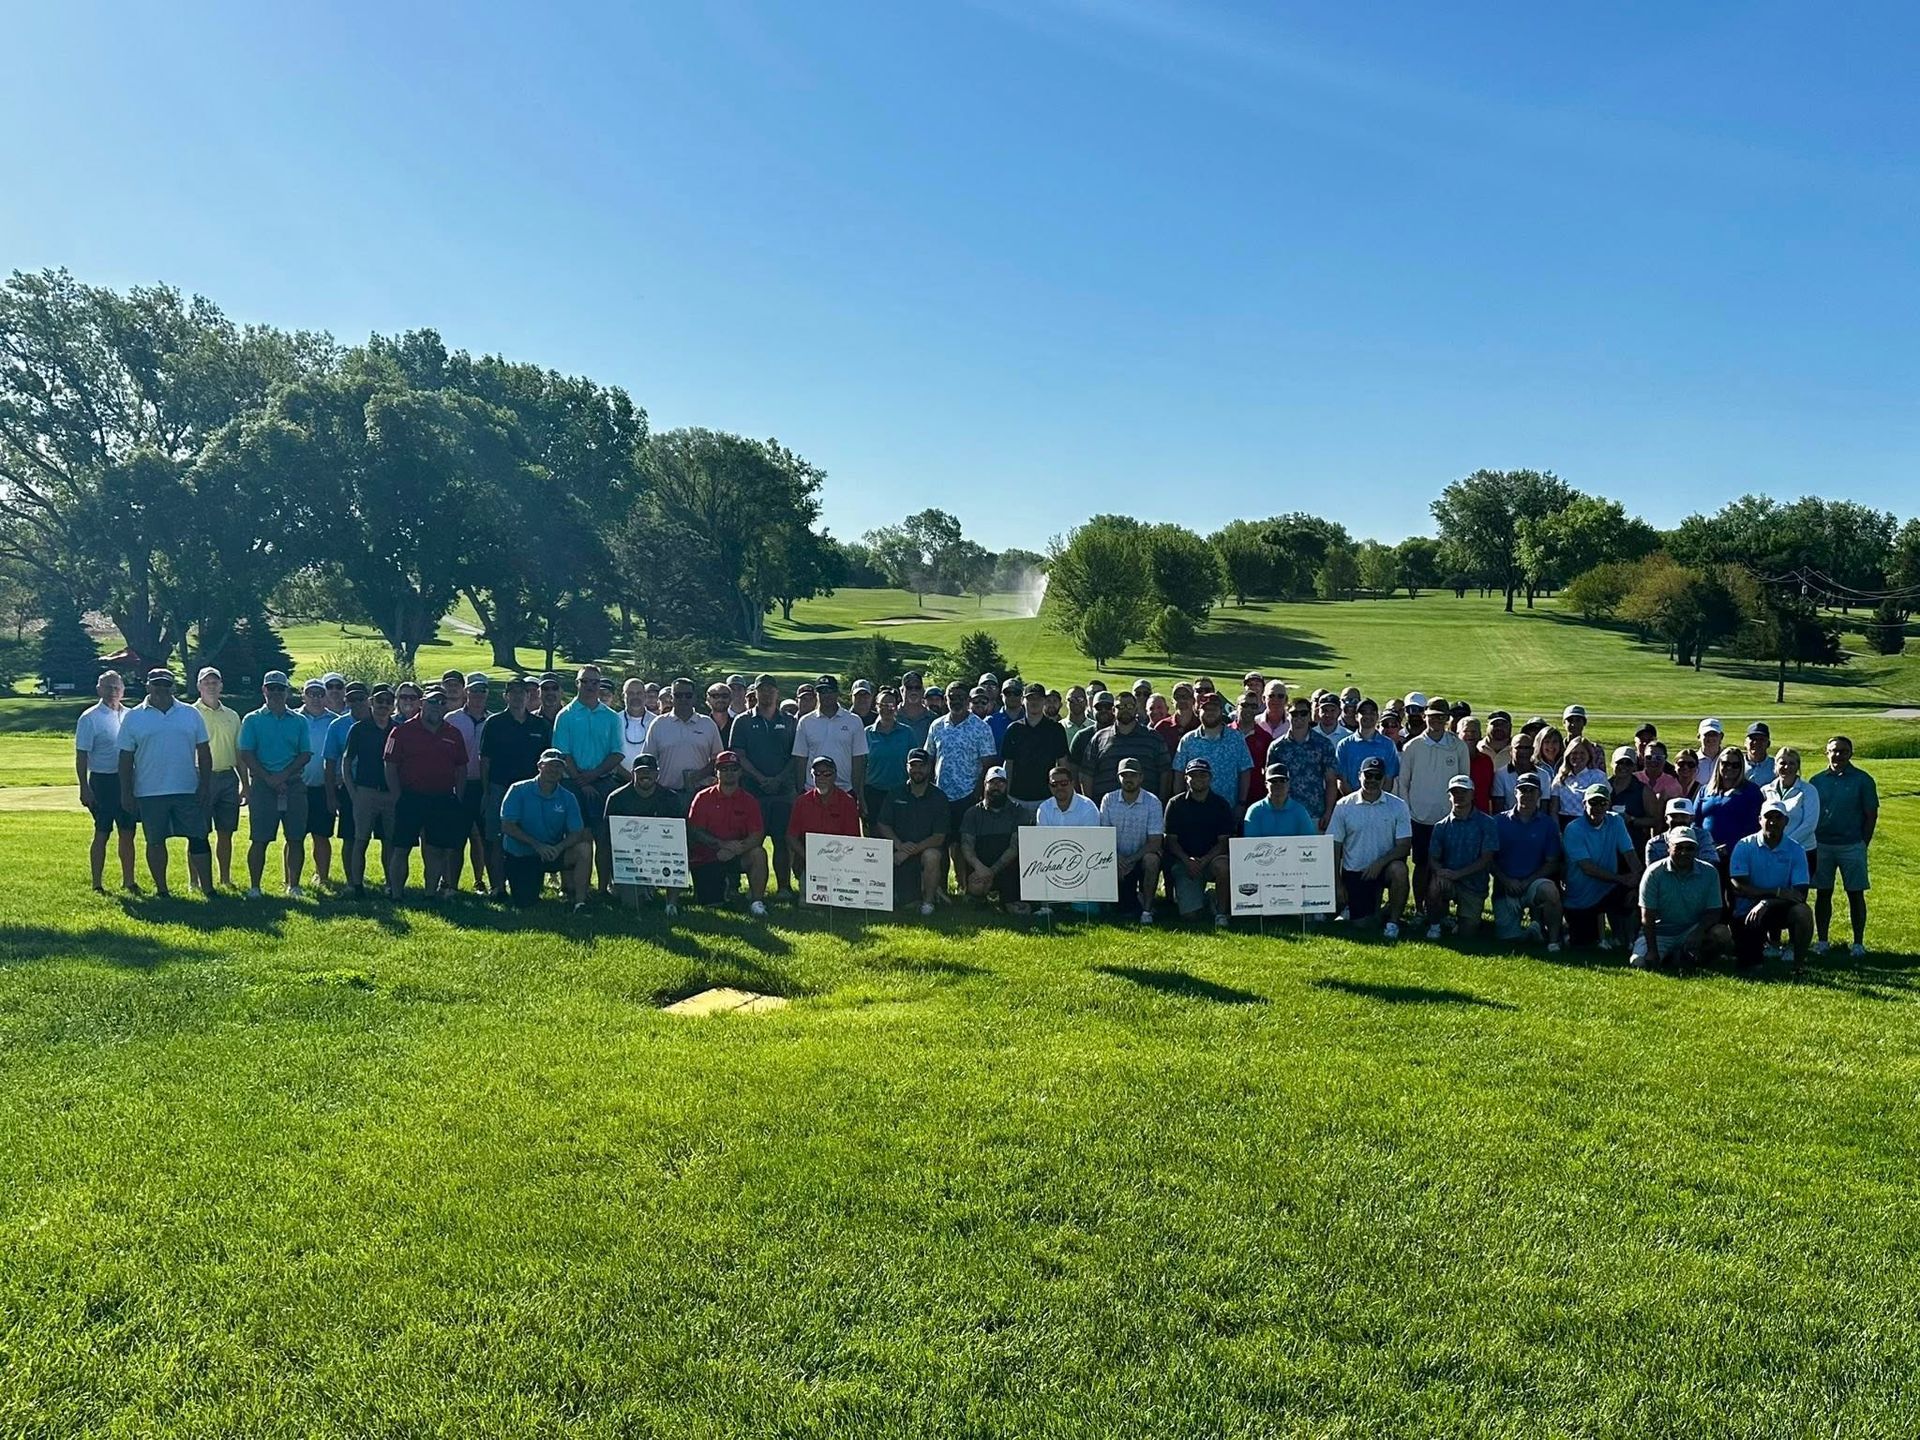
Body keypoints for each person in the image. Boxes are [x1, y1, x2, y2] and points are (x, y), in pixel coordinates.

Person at [117, 668, 214, 898]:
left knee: (199, 838)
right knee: (155, 841)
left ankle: (208, 889)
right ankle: (162, 890)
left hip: (187, 788)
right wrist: (126, 792)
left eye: (166, 684)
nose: (161, 689)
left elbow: (204, 752)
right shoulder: (133, 717)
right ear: (148, 686)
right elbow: (125, 758)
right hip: (149, 791)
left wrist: (205, 785)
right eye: (157, 684)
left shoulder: (190, 714)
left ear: (173, 687)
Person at [383, 687, 468, 900]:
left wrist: (458, 797)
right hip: (410, 798)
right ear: (422, 703)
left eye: (441, 702)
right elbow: (390, 766)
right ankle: (396, 894)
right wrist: (397, 796)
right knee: (401, 848)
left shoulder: (453, 733)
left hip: (441, 799)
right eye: (432, 702)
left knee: (435, 850)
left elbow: (461, 768)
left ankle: (430, 894)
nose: (436, 706)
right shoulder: (401, 731)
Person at [237, 672, 313, 898]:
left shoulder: (299, 721)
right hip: (262, 785)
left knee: (296, 838)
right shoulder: (252, 719)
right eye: (272, 688)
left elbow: (305, 753)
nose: (276, 693)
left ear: (287, 691)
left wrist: (282, 776)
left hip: (293, 784)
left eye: (280, 688)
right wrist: (269, 778)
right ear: (264, 690)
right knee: (259, 838)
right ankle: (255, 887)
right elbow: (246, 753)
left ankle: (294, 885)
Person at [552, 664, 623, 894]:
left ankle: (603, 889)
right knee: (572, 835)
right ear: (577, 683)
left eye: (595, 682)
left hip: (603, 782)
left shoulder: (611, 717)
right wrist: (582, 781)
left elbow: (617, 753)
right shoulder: (565, 715)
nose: (590, 686)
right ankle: (569, 886)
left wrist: (593, 776)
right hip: (571, 783)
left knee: (604, 837)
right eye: (585, 681)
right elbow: (563, 753)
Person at [479, 677, 552, 901]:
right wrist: (486, 792)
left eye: (522, 692)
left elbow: (547, 763)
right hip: (499, 787)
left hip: (531, 792)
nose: (518, 696)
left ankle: (530, 885)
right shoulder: (494, 723)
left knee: (531, 836)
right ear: (506, 696)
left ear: (529, 696)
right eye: (513, 692)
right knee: (495, 838)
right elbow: (485, 761)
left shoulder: (540, 725)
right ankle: (498, 887)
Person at [1325, 756, 1413, 937]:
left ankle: (1393, 922)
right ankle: (1376, 911)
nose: (1372, 780)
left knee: (1400, 869)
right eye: (1368, 775)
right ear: (1360, 776)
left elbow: (1404, 846)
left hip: (1384, 869)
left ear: (1384, 779)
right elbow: (1334, 846)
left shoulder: (1398, 806)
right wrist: (1337, 883)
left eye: (1377, 776)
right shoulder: (1344, 806)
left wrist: (1380, 863)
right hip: (1355, 872)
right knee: (1362, 925)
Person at [731, 674, 799, 899]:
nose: (767, 693)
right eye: (762, 689)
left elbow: (796, 756)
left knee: (783, 841)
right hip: (753, 792)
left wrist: (779, 778)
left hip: (783, 792)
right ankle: (754, 888)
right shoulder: (742, 721)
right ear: (755, 693)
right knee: (753, 842)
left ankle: (784, 887)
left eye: (771, 689)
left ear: (777, 692)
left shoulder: (790, 721)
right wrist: (760, 778)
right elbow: (738, 755)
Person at [498, 749, 593, 911]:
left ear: (563, 771)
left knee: (584, 848)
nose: (554, 770)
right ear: (539, 766)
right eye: (549, 765)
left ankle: (580, 902)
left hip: (552, 853)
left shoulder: (568, 797)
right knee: (525, 903)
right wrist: (536, 845)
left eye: (558, 766)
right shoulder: (518, 790)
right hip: (522, 854)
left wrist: (559, 848)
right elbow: (507, 826)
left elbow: (577, 832)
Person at [1809, 736, 1877, 957]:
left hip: (1852, 845)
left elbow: (1871, 815)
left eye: (1843, 751)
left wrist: (1863, 843)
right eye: (1834, 751)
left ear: (1850, 753)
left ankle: (1858, 943)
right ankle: (1822, 941)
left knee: (1855, 894)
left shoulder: (1863, 780)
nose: (1838, 755)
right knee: (1823, 893)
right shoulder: (1817, 781)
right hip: (1822, 845)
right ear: (1826, 753)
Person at [1396, 698, 1471, 899]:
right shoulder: (1412, 746)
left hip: (1448, 818)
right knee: (1421, 865)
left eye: (1441, 717)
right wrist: (1409, 813)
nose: (1436, 721)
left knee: (1446, 865)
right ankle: (1420, 907)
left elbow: (1464, 781)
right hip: (1419, 818)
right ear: (1424, 716)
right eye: (1432, 717)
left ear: (1447, 718)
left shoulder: (1458, 746)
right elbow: (1404, 783)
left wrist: (1459, 811)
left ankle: (1440, 909)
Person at [75, 669, 139, 893]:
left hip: (127, 780)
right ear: (99, 690)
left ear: (123, 690)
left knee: (128, 832)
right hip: (102, 781)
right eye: (108, 687)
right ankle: (97, 883)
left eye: (116, 687)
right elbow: (82, 755)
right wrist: (84, 787)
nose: (113, 691)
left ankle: (129, 881)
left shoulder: (131, 715)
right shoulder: (90, 718)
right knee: (102, 832)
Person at [1730, 799, 1812, 972]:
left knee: (1803, 912)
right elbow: (1739, 886)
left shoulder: (1796, 850)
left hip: (1779, 908)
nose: (1773, 822)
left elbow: (1800, 894)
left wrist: (1767, 902)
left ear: (1786, 821)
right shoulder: (1744, 846)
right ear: (1760, 820)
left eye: (1778, 817)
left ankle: (1799, 966)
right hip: (1747, 911)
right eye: (1768, 817)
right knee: (1752, 968)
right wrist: (1777, 892)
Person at [1633, 828, 1731, 971]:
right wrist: (1652, 951)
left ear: (1696, 850)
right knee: (1639, 963)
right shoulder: (1654, 873)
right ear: (1668, 848)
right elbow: (1647, 916)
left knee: (1722, 933)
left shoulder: (1710, 872)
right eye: (1679, 847)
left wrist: (1698, 932)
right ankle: (1677, 958)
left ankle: (1684, 958)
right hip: (1660, 933)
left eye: (1689, 848)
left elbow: (1714, 911)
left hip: (1691, 930)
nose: (1684, 852)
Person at [685, 752, 768, 915]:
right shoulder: (702, 798)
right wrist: (720, 845)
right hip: (707, 856)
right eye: (723, 769)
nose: (729, 772)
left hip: (737, 853)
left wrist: (736, 849)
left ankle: (757, 902)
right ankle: (726, 889)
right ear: (716, 772)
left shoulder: (749, 801)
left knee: (759, 854)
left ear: (740, 772)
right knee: (711, 905)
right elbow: (694, 831)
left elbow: (757, 834)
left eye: (733, 768)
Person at [926, 683, 999, 864]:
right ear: (946, 699)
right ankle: (940, 881)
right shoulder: (937, 725)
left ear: (967, 700)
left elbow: (988, 763)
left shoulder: (981, 728)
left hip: (968, 796)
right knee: (940, 844)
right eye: (952, 697)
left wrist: (978, 792)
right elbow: (930, 757)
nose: (956, 701)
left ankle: (963, 880)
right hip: (941, 795)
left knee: (964, 846)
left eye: (961, 697)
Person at [1560, 783, 1639, 949]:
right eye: (1593, 802)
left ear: (1608, 805)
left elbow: (1629, 853)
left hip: (1609, 887)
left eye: (1603, 803)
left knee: (1632, 895)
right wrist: (1621, 879)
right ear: (1584, 804)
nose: (1598, 807)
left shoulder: (1616, 821)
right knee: (1581, 943)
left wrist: (1637, 881)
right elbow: (1587, 867)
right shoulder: (1573, 829)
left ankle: (1630, 939)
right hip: (1581, 897)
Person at [603, 754, 685, 914]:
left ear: (657, 774)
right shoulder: (617, 798)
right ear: (632, 773)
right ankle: (621, 887)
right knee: (632, 906)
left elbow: (679, 835)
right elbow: (607, 838)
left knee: (678, 854)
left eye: (650, 771)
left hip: (662, 856)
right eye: (640, 771)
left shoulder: (670, 798)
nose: (645, 775)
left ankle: (671, 904)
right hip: (628, 860)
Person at [1491, 776, 1564, 949]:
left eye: (1532, 790)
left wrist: (1527, 882)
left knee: (1550, 891)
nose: (1528, 794)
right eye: (1523, 790)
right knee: (1509, 941)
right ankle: (1533, 929)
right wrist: (1507, 881)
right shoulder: (1497, 822)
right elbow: (1488, 860)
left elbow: (1552, 862)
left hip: (1533, 884)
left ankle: (1553, 942)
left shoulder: (1548, 824)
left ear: (1539, 794)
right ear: (1515, 793)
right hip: (1505, 888)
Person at [342, 686, 401, 897]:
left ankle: (391, 885)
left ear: (393, 705)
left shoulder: (398, 730)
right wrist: (352, 792)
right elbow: (346, 761)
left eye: (388, 701)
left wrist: (398, 793)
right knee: (361, 840)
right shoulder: (359, 729)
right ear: (371, 702)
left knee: (390, 841)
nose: (383, 705)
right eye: (379, 701)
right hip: (365, 792)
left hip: (391, 793)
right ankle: (357, 886)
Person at [1162, 758, 1236, 927]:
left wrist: (1204, 861)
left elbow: (1223, 842)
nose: (1198, 779)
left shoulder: (1221, 804)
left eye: (1203, 775)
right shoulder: (1175, 804)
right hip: (1184, 863)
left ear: (1210, 778)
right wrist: (1187, 861)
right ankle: (1208, 897)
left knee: (1223, 866)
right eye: (1193, 775)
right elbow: (1171, 841)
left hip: (1212, 861)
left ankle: (1221, 913)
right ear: (1186, 779)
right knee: (1190, 916)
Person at [875, 748, 948, 916]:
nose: (917, 770)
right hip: (898, 852)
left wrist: (908, 851)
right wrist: (899, 845)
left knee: (932, 856)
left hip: (923, 852)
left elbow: (939, 837)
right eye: (913, 765)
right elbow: (883, 824)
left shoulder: (939, 797)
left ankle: (928, 903)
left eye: (921, 765)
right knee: (906, 905)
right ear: (907, 767)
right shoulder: (895, 793)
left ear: (929, 767)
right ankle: (916, 892)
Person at [1424, 775, 1498, 939]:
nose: (1459, 795)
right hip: (1449, 880)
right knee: (1435, 885)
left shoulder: (1487, 823)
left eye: (1463, 792)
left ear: (1472, 794)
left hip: (1474, 886)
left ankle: (1460, 921)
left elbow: (1486, 858)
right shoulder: (1440, 826)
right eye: (1455, 792)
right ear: (1449, 796)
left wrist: (1459, 874)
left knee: (1467, 934)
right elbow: (1433, 858)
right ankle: (1435, 926)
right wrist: (1440, 871)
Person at [192, 665, 243, 887]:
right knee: (197, 831)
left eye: (215, 682)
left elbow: (239, 752)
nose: (211, 686)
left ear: (221, 685)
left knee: (226, 832)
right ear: (199, 686)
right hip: (200, 777)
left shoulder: (232, 715)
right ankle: (194, 881)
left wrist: (245, 784)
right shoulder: (190, 713)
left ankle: (224, 878)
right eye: (206, 682)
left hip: (228, 778)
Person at [792, 675, 869, 818]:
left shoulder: (854, 721)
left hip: (845, 790)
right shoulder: (806, 722)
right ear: (817, 695)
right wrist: (800, 791)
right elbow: (800, 759)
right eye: (822, 691)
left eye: (830, 691)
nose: (826, 695)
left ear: (837, 693)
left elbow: (858, 760)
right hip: (812, 790)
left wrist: (857, 793)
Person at [1099, 756, 1164, 924]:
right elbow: (1103, 837)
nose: (1128, 779)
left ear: (1141, 777)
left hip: (1140, 858)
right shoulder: (1108, 799)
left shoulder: (1153, 802)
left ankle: (1147, 910)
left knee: (1152, 860)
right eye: (1124, 775)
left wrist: (1130, 860)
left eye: (1133, 775)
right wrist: (1116, 858)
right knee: (1123, 910)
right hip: (1115, 858)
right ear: (1118, 777)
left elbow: (1155, 842)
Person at [445, 673, 493, 894]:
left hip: (484, 785)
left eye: (482, 690)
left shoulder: (493, 720)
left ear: (487, 693)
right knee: (456, 838)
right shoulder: (452, 719)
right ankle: (451, 885)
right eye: (474, 690)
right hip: (459, 784)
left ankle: (484, 882)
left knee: (485, 839)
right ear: (466, 692)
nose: (478, 695)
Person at [642, 677, 724, 801]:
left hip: (700, 793)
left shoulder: (708, 724)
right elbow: (648, 759)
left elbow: (718, 759)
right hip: (665, 793)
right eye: (678, 695)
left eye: (688, 695)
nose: (683, 699)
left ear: (694, 697)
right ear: (671, 698)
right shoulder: (658, 724)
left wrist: (699, 775)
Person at [788, 755, 862, 887]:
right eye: (817, 774)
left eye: (827, 774)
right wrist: (807, 856)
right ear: (812, 776)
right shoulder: (801, 802)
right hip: (808, 860)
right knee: (807, 898)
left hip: (840, 862)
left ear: (835, 776)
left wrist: (834, 861)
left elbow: (853, 840)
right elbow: (791, 837)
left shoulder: (848, 802)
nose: (822, 778)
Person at [958, 765, 1024, 911]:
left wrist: (992, 871)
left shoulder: (1018, 811)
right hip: (980, 867)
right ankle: (978, 895)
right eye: (992, 782)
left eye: (1001, 783)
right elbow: (966, 846)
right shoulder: (972, 813)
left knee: (1014, 908)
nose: (996, 786)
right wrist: (979, 868)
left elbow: (1015, 847)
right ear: (985, 784)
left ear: (1007, 785)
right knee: (976, 887)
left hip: (1007, 867)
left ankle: (1006, 899)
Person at [1267, 695, 1339, 831]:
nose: (1299, 717)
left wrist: (1328, 812)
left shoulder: (1324, 744)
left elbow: (1331, 781)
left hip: (1315, 813)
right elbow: (1270, 783)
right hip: (1284, 813)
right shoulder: (1277, 747)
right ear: (1287, 715)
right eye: (1294, 713)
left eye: (1303, 713)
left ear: (1310, 715)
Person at [1174, 690, 1255, 809]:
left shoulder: (1236, 738)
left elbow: (1245, 772)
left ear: (1221, 711)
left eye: (1214, 709)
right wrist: (1180, 805)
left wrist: (1241, 803)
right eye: (1206, 709)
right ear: (1198, 711)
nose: (1210, 712)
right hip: (1194, 809)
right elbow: (1179, 774)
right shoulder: (1188, 740)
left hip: (1228, 809)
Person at [1080, 691, 1166, 804]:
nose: (1125, 710)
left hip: (1146, 806)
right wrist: (1091, 805)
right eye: (1120, 707)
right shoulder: (1099, 738)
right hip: (1106, 806)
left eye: (1129, 706)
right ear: (1113, 710)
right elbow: (1086, 774)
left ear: (1136, 709)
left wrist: (1162, 801)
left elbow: (1165, 772)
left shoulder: (1153, 737)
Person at [293, 679, 339, 888]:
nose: (316, 698)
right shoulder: (293, 718)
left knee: (321, 835)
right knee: (294, 837)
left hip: (324, 787)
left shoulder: (335, 721)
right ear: (303, 695)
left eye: (320, 694)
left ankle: (323, 877)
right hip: (297, 787)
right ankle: (291, 880)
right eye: (311, 694)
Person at [1696, 749, 1763, 889]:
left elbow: (1754, 826)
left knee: (1732, 896)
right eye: (1725, 763)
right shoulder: (1705, 790)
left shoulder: (1751, 791)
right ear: (1719, 764)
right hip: (1705, 854)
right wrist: (1705, 846)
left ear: (1741, 767)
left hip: (1737, 855)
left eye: (1735, 765)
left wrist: (1729, 847)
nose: (1729, 768)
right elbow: (1694, 821)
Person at [1001, 682, 1069, 817]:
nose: (1034, 702)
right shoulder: (1013, 729)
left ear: (1044, 701)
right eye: (1030, 698)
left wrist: (1063, 794)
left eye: (1038, 698)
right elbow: (1008, 765)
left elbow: (1062, 764)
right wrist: (1006, 796)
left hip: (1047, 798)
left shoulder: (1056, 730)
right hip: (1017, 797)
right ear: (1023, 701)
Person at [863, 687, 916, 823]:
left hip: (900, 790)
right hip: (873, 791)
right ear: (876, 707)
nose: (887, 709)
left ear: (896, 707)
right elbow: (860, 765)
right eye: (883, 705)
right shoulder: (866, 733)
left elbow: (915, 764)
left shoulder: (907, 733)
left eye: (891, 705)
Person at [1764, 746, 1820, 869]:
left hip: (1802, 851)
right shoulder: (1765, 790)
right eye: (1782, 763)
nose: (1786, 767)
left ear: (1798, 766)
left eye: (1792, 763)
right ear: (1776, 765)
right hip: (1771, 851)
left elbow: (1809, 825)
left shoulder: (1808, 790)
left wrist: (1784, 844)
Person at [1334, 699, 1399, 796]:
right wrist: (1355, 800)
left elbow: (1389, 779)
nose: (1368, 716)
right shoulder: (1344, 745)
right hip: (1352, 801)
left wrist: (1377, 800)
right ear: (1356, 717)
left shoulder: (1388, 745)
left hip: (1380, 801)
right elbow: (1342, 780)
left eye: (1372, 713)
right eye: (1363, 712)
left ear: (1377, 717)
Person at [1605, 744, 1657, 852]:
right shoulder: (1604, 786)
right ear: (1612, 764)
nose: (1623, 766)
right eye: (1620, 762)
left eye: (1628, 763)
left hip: (1633, 845)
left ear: (1634, 767)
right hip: (1606, 844)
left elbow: (1654, 821)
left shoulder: (1644, 790)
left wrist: (1632, 820)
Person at [1243, 762, 1316, 837]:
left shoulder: (1300, 812)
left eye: (1282, 780)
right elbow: (1251, 842)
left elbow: (1309, 841)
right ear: (1266, 784)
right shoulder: (1255, 811)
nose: (1278, 784)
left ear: (1289, 783)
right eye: (1273, 781)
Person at [1646, 797, 1720, 867]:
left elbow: (1709, 866)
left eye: (1683, 816)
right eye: (1674, 816)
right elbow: (1653, 872)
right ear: (1666, 819)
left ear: (1692, 818)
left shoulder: (1703, 837)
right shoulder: (1654, 844)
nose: (1679, 820)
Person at [1551, 739, 1607, 824]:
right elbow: (1553, 810)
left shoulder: (1598, 776)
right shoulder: (1560, 778)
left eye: (1582, 753)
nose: (1578, 756)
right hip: (1565, 822)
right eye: (1574, 753)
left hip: (1588, 822)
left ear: (1589, 755)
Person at [1033, 761, 1100, 827]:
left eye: (1064, 783)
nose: (1059, 787)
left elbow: (1091, 834)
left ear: (1072, 783)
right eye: (1054, 784)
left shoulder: (1088, 808)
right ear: (1049, 786)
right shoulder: (1044, 808)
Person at [617, 678, 653, 771]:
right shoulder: (614, 721)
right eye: (631, 693)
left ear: (645, 696)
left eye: (639, 693)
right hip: (618, 777)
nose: (635, 697)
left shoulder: (656, 722)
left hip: (650, 778)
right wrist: (627, 776)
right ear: (623, 696)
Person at [1234, 692, 1271, 773]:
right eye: (1245, 705)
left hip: (1254, 780)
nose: (1249, 709)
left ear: (1258, 710)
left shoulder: (1265, 737)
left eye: (1253, 707)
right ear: (1236, 707)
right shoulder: (1224, 732)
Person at [897, 671, 938, 744]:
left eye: (917, 687)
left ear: (923, 691)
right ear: (902, 691)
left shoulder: (933, 719)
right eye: (909, 687)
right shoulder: (891, 716)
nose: (913, 691)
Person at [1743, 723, 1775, 788]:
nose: (1756, 742)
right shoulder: (1736, 765)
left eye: (1761, 739)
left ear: (1768, 744)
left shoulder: (1776, 766)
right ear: (1745, 743)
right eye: (1753, 739)